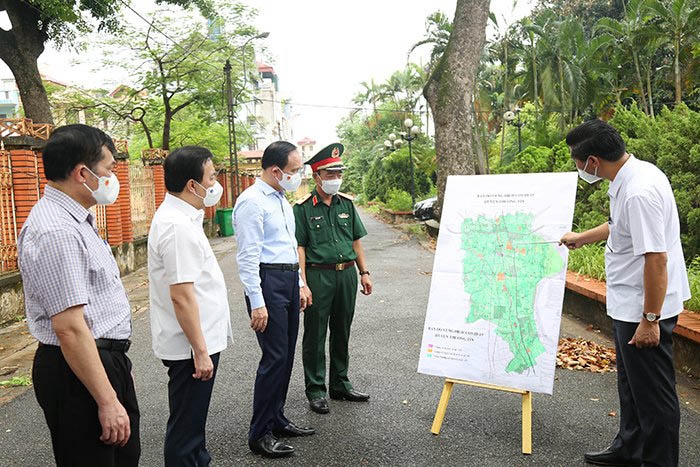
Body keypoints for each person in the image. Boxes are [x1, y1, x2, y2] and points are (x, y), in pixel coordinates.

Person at [560, 119, 690, 467]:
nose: (578, 168)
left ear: (592, 162)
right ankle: (629, 447)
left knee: (654, 396)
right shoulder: (632, 176)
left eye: (577, 161)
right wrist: (581, 237)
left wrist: (650, 320)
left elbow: (656, 260)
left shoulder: (639, 191)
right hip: (629, 303)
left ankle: (658, 461)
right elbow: (620, 225)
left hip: (643, 309)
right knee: (631, 386)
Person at [17, 124, 140, 466]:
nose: (113, 177)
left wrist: (117, 366)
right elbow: (70, 327)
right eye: (109, 170)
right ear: (82, 173)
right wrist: (107, 400)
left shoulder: (77, 219)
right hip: (76, 371)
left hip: (99, 361)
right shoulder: (57, 230)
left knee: (123, 458)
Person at [147, 146, 233, 466]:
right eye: (211, 177)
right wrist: (200, 350)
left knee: (193, 425)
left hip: (197, 343)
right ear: (191, 185)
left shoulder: (186, 217)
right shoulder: (176, 225)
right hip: (190, 348)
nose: (216, 183)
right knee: (185, 430)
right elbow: (181, 295)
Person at [233, 141, 315, 458]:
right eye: (294, 171)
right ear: (276, 170)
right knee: (274, 358)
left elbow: (289, 246)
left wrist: (299, 283)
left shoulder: (281, 199)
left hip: (287, 279)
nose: (298, 176)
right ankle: (260, 433)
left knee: (286, 355)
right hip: (267, 282)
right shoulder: (251, 202)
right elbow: (248, 256)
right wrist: (257, 300)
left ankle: (277, 418)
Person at [293, 143, 372, 415]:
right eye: (329, 174)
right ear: (316, 176)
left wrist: (364, 272)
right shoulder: (302, 208)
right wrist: (302, 284)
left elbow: (356, 241)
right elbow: (300, 248)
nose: (335, 179)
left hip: (347, 274)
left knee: (342, 330)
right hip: (318, 275)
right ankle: (316, 389)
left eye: (338, 174)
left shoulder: (347, 204)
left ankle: (340, 384)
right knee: (315, 334)